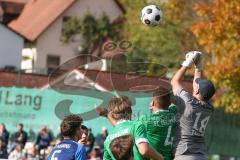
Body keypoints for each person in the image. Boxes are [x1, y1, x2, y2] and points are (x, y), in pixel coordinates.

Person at [171, 51, 215, 160]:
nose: (194, 84)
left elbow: (174, 81)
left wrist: (187, 63)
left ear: (197, 92)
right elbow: (197, 86)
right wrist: (198, 67)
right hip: (202, 155)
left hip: (184, 155)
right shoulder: (209, 107)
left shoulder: (188, 102)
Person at [96, 95, 163, 160]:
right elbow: (144, 150)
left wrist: (107, 115)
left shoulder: (108, 139)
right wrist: (161, 158)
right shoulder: (137, 126)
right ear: (130, 111)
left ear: (113, 115)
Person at [140, 89, 177, 160]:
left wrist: (152, 109)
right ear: (169, 103)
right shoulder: (174, 112)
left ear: (153, 103)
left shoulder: (145, 120)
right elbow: (173, 105)